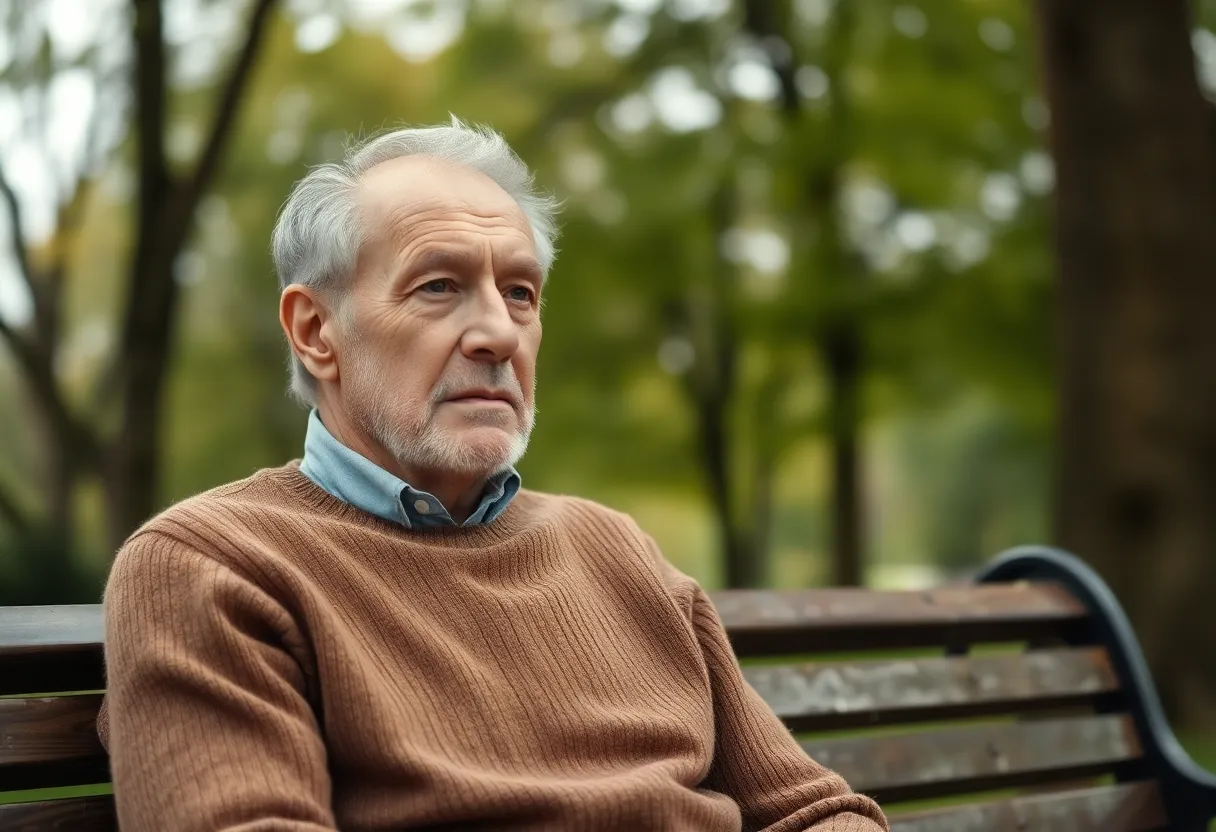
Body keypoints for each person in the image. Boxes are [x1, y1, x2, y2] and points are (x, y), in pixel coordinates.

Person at [97, 118, 889, 832]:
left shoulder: (616, 550)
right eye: (438, 286)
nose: (498, 333)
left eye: (519, 293)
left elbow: (817, 813)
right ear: (315, 331)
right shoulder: (213, 568)